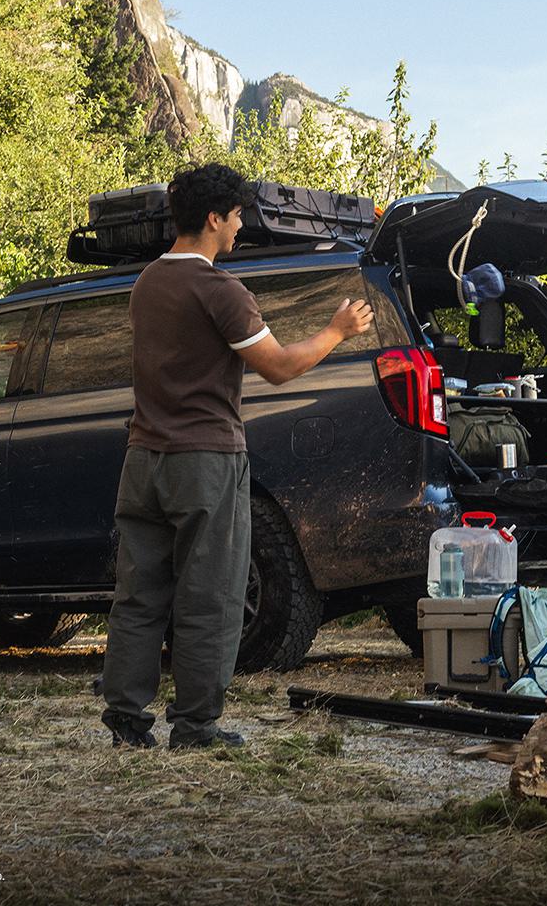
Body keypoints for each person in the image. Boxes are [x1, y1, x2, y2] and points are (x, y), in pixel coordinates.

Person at [100, 163, 373, 750]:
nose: (241, 225)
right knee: (212, 594)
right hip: (204, 461)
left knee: (139, 593)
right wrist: (336, 331)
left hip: (142, 458)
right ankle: (196, 726)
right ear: (214, 218)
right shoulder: (217, 288)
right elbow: (277, 366)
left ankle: (126, 720)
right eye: (237, 215)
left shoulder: (148, 281)